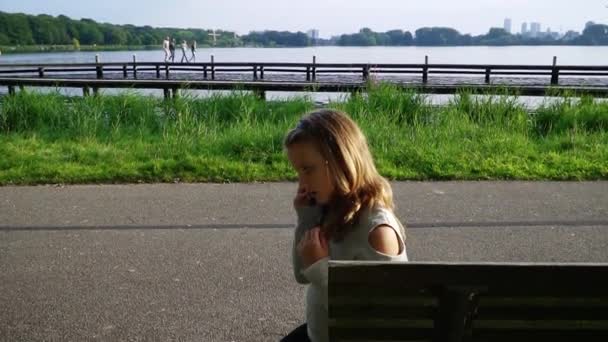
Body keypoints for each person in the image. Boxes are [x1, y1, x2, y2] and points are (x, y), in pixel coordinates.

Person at [281, 109, 409, 342]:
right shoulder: (329, 208)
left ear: (341, 161)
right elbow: (302, 274)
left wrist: (320, 267)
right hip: (319, 333)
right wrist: (306, 219)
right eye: (298, 172)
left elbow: (384, 316)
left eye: (308, 169)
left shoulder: (378, 230)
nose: (302, 183)